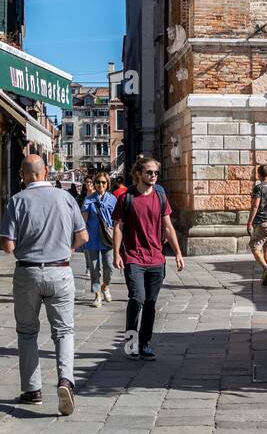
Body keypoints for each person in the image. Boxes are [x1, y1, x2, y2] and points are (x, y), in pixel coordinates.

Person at [0, 153, 88, 414]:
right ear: (46, 171)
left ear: (23, 174)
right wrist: (68, 249)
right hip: (59, 270)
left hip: (28, 273)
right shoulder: (65, 198)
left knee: (27, 332)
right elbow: (82, 236)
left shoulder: (17, 201)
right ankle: (65, 381)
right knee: (63, 331)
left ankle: (32, 390)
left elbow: (7, 245)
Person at [113, 155, 184, 358]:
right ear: (138, 174)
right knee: (137, 299)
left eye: (156, 173)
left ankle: (144, 344)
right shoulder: (127, 197)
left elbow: (168, 227)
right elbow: (118, 227)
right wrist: (117, 253)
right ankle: (130, 342)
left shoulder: (160, 197)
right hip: (134, 257)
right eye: (149, 172)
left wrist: (178, 253)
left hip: (156, 258)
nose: (153, 176)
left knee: (151, 303)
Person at [81, 171, 116, 306]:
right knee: (94, 269)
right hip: (92, 238)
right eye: (98, 182)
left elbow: (117, 220)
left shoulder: (112, 199)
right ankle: (97, 294)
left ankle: (105, 286)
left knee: (109, 268)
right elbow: (83, 218)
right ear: (94, 184)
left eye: (103, 182)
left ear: (107, 184)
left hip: (107, 238)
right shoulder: (89, 199)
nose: (100, 185)